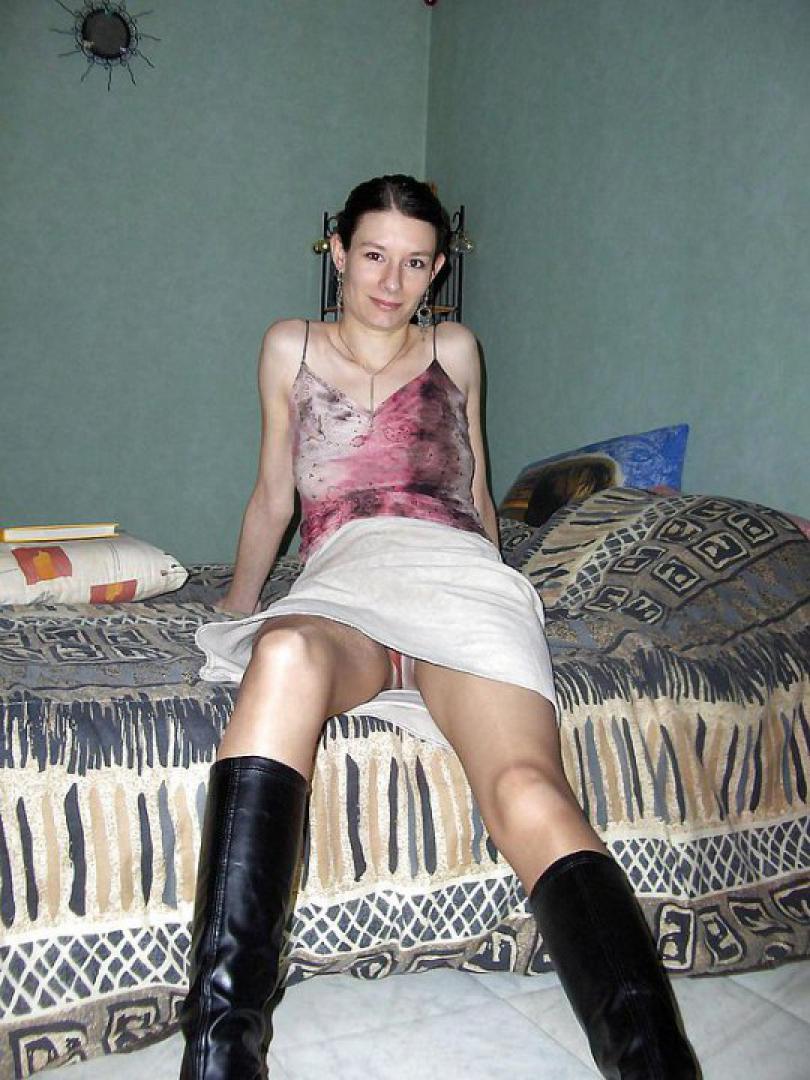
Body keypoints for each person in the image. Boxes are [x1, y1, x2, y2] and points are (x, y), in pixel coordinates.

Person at [179, 175, 700, 1080]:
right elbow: (274, 496)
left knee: (528, 789)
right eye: (374, 256)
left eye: (416, 263)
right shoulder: (288, 345)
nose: (392, 282)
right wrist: (237, 603)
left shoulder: (455, 349)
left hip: (457, 578)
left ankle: (655, 1063)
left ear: (438, 270)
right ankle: (221, 1053)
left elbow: (478, 491)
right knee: (284, 651)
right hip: (347, 580)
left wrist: (502, 592)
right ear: (337, 252)